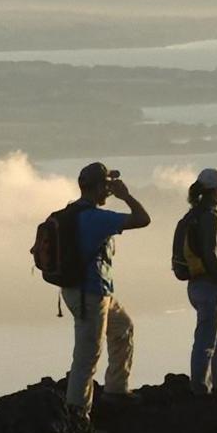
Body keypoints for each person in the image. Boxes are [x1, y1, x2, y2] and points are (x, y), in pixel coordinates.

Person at [63, 162, 150, 419]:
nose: (109, 192)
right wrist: (126, 196)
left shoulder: (72, 213)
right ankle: (78, 415)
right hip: (89, 294)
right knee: (87, 356)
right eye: (107, 186)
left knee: (123, 327)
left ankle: (116, 389)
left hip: (86, 291)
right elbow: (143, 219)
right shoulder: (95, 218)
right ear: (99, 187)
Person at [185, 168, 217, 398]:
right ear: (215, 190)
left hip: (196, 286)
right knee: (206, 341)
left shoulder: (193, 215)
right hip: (209, 287)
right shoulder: (210, 217)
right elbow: (210, 253)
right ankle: (201, 392)